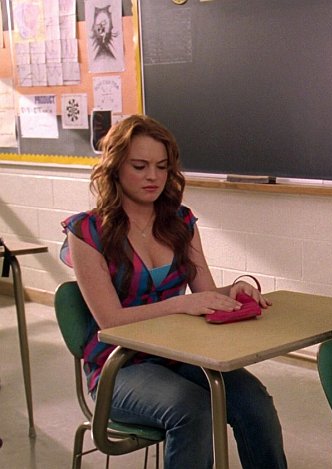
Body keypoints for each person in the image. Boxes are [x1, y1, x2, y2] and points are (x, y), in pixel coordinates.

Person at [60, 114, 287, 469]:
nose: (153, 176)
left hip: (178, 354)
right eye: (139, 166)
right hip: (119, 367)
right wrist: (182, 303)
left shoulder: (181, 221)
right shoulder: (86, 231)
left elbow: (204, 294)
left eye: (162, 166)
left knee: (254, 401)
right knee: (192, 409)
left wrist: (234, 290)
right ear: (115, 167)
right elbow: (111, 320)